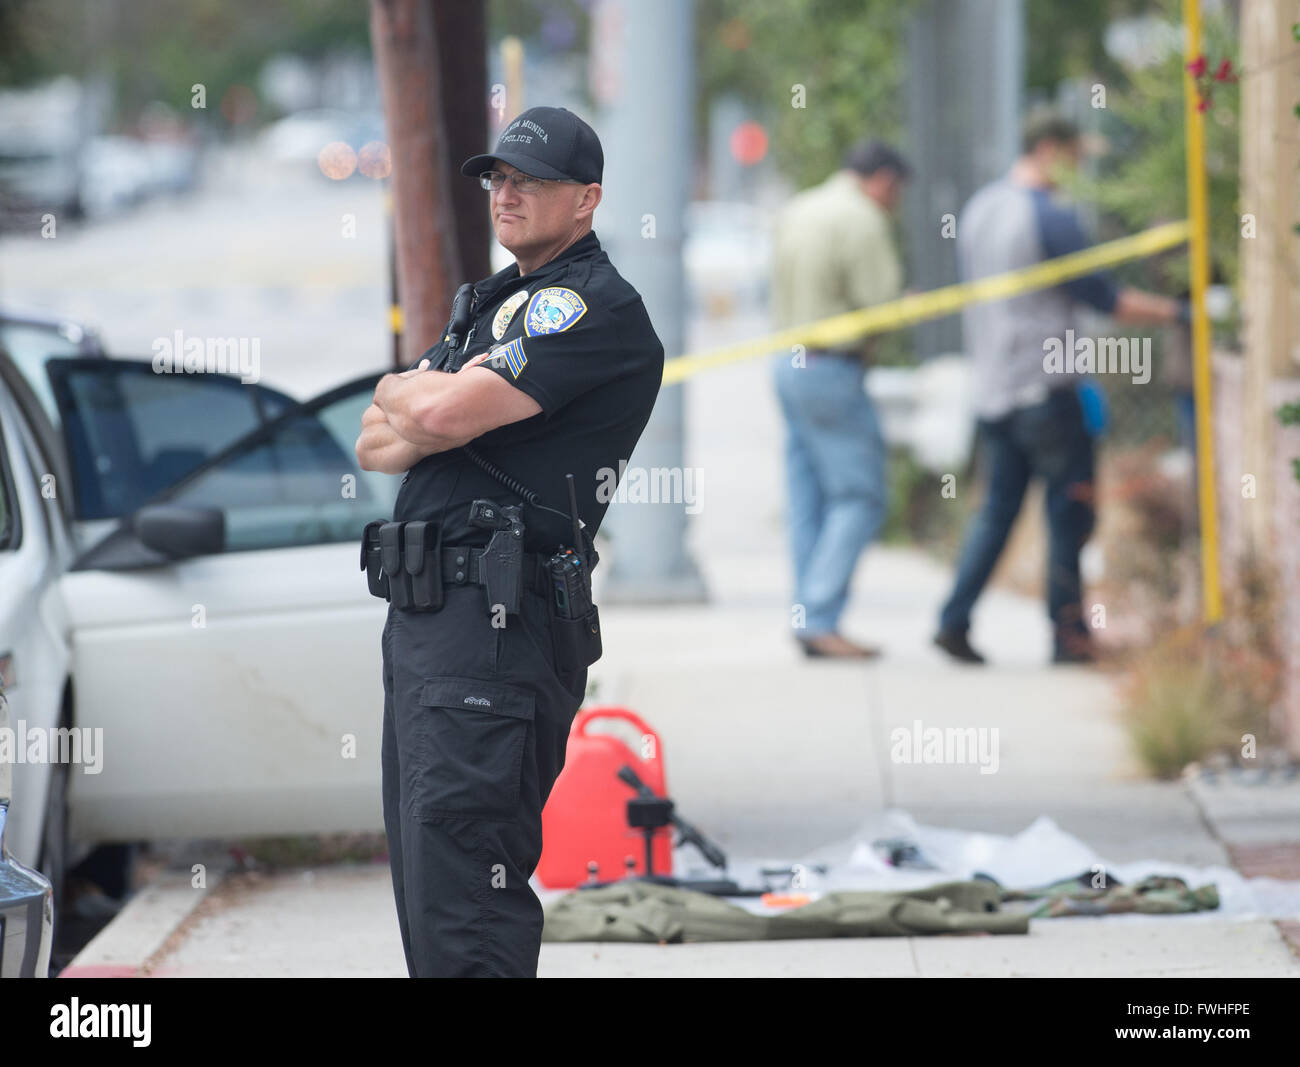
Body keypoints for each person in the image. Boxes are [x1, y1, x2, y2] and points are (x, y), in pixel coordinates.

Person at [355, 105, 664, 977]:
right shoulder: (499, 305)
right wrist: (425, 404)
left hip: (493, 629)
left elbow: (436, 411)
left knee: (467, 899)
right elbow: (373, 444)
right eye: (498, 177)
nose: (507, 193)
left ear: (588, 199)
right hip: (437, 629)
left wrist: (404, 385)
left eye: (531, 180)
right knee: (428, 882)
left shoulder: (585, 309)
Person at [933, 110, 1188, 666]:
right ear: (1050, 150)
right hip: (1047, 389)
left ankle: (954, 618)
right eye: (1074, 158)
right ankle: (1068, 637)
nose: (1077, 170)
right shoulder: (1048, 217)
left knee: (996, 511)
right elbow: (1106, 298)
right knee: (1071, 511)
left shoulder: (981, 209)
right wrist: (1180, 312)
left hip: (995, 388)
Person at [770, 140, 910, 659]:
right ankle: (822, 617)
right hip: (831, 367)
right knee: (860, 496)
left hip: (787, 361)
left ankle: (808, 616)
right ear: (885, 181)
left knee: (808, 496)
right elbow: (882, 305)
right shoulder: (863, 219)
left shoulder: (799, 207)